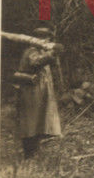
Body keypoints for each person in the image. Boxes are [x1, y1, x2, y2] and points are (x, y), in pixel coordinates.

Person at [13, 26, 63, 158]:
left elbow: (52, 65)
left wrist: (54, 54)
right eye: (45, 38)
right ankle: (29, 154)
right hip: (31, 92)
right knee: (31, 122)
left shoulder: (41, 51)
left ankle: (35, 152)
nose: (47, 41)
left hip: (41, 92)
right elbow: (36, 62)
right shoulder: (31, 51)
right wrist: (51, 54)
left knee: (40, 121)